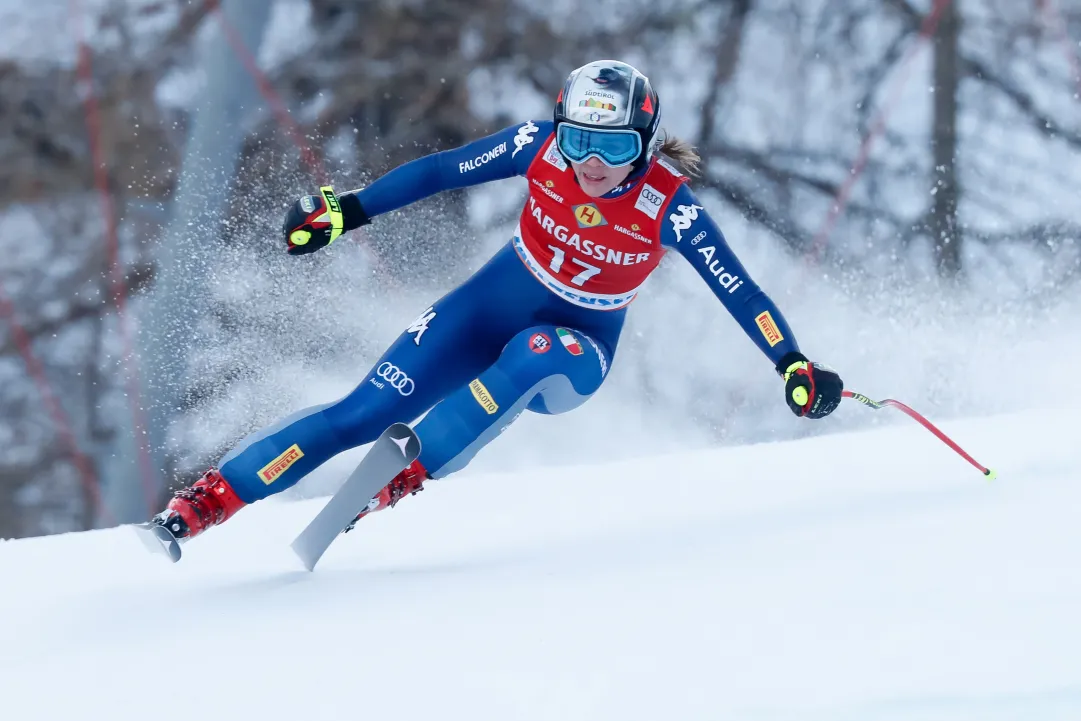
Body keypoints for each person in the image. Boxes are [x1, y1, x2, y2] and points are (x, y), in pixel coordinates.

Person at [149, 60, 844, 544]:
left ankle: (412, 466)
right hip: (487, 306)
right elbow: (444, 170)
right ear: (558, 129)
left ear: (646, 146)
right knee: (359, 411)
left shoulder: (667, 205)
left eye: (611, 145)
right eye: (578, 140)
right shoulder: (537, 150)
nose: (591, 162)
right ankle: (209, 501)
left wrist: (790, 362)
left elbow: (737, 286)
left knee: (534, 351)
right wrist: (346, 212)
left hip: (575, 354)